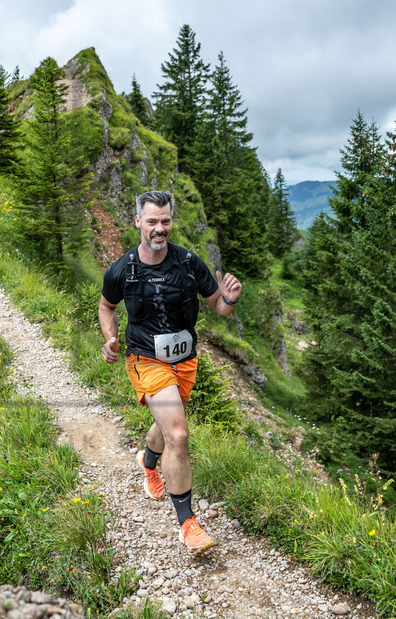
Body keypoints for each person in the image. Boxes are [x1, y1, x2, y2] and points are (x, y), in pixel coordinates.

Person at [98, 190, 242, 555]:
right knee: (178, 434)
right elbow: (106, 306)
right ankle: (188, 524)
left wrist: (229, 299)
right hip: (145, 357)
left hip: (185, 360)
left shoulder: (189, 263)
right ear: (137, 222)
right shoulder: (122, 270)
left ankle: (148, 462)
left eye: (165, 221)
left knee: (165, 427)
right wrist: (110, 338)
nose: (159, 229)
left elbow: (217, 308)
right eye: (152, 221)